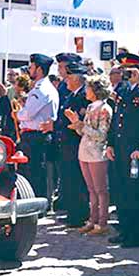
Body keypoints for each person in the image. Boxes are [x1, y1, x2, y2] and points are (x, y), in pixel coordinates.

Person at [105, 53, 139, 248]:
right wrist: (110, 143)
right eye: (123, 71)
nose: (125, 74)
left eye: (129, 71)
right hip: (121, 149)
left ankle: (136, 235)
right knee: (122, 191)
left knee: (136, 193)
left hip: (136, 150)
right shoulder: (123, 90)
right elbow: (116, 119)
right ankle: (125, 229)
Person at [68, 74, 112, 236]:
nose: (86, 91)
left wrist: (81, 126)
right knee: (91, 190)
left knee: (100, 190)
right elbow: (84, 132)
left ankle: (102, 222)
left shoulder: (105, 109)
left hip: (97, 153)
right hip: (85, 152)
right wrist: (76, 124)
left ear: (96, 90)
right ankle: (92, 220)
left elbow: (101, 135)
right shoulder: (90, 107)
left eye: (88, 88)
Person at [16, 54, 59, 200]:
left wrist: (18, 114)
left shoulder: (41, 89)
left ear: (39, 69)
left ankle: (37, 204)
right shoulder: (44, 87)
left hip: (36, 136)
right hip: (36, 136)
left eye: (32, 67)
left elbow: (28, 114)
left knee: (35, 174)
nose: (29, 70)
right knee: (37, 173)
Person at [55, 63, 90, 227]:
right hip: (67, 143)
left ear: (76, 77)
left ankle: (79, 215)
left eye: (68, 76)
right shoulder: (71, 94)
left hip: (76, 143)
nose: (65, 80)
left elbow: (83, 120)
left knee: (77, 180)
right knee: (69, 179)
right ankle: (72, 213)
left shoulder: (83, 96)